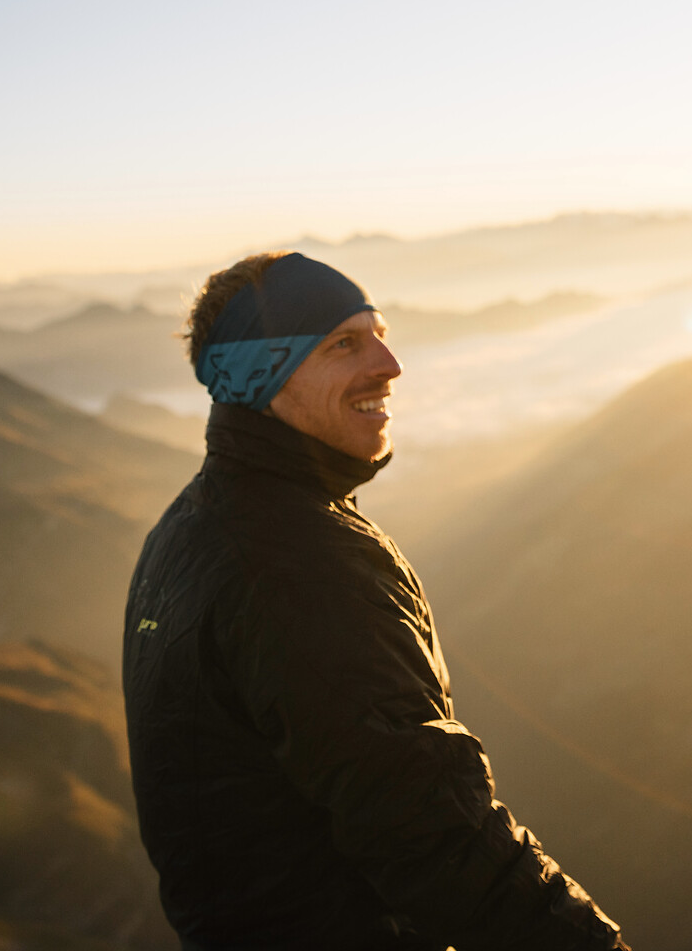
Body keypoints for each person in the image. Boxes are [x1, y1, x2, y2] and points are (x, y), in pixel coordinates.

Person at [124, 251, 627, 951]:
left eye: (380, 332)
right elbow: (437, 839)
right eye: (343, 344)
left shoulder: (187, 529)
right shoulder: (301, 563)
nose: (390, 364)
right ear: (261, 372)